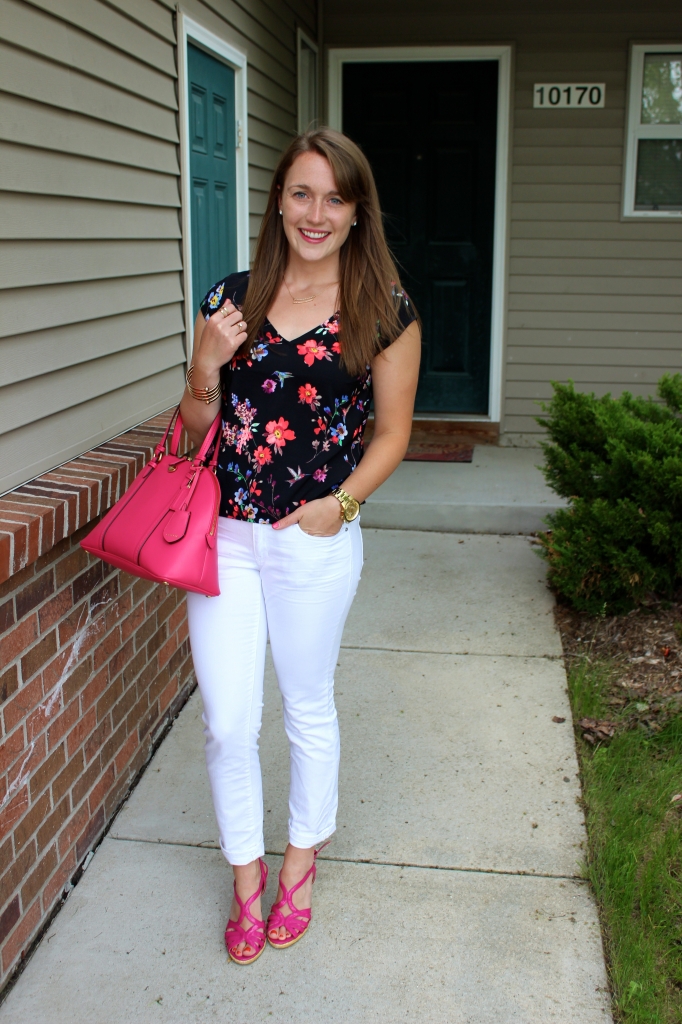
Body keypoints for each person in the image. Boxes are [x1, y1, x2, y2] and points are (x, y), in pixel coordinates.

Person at [180, 127, 421, 965]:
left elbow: (392, 434)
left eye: (334, 198)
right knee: (226, 721)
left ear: (357, 213)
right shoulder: (230, 299)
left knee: (306, 707)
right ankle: (245, 879)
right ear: (278, 200)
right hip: (225, 538)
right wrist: (206, 361)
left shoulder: (384, 309)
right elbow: (194, 426)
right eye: (300, 194)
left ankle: (300, 863)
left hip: (314, 541)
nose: (315, 213)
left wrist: (340, 506)